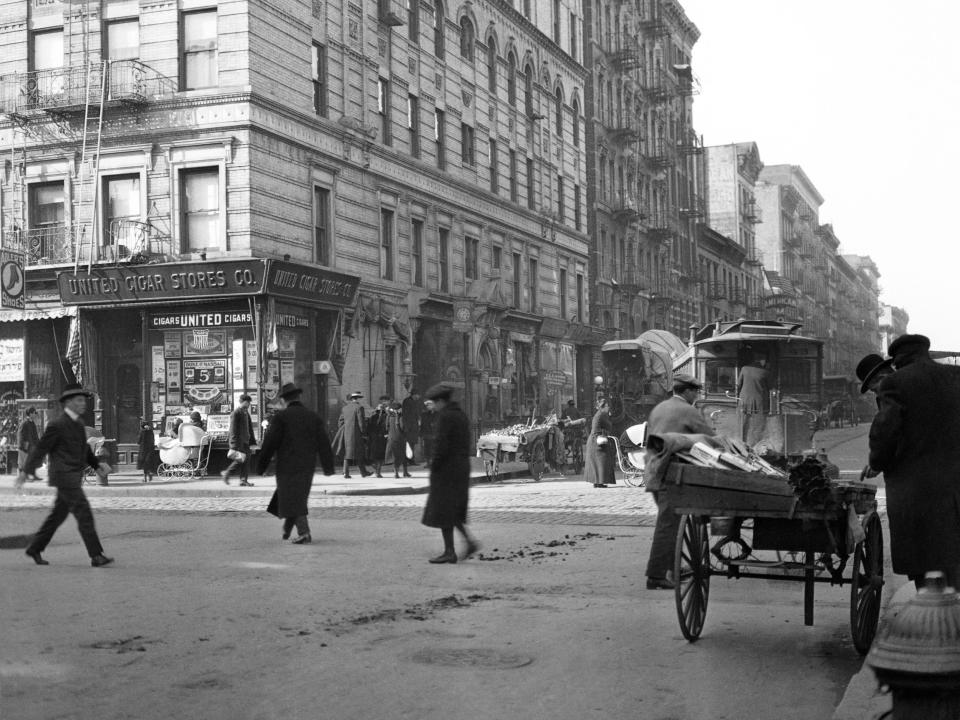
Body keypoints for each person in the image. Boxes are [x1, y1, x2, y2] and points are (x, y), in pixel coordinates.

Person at [868, 333, 960, 591]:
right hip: (954, 487)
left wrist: (878, 461)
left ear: (898, 358)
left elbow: (884, 433)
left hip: (915, 491)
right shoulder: (956, 376)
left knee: (922, 558)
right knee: (953, 555)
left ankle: (928, 615)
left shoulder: (895, 383)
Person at [16, 383, 114, 567]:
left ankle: (35, 548)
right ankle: (96, 556)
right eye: (79, 400)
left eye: (83, 400)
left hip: (71, 476)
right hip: (64, 477)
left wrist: (97, 465)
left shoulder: (77, 423)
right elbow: (41, 448)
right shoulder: (57, 425)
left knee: (57, 516)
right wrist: (26, 472)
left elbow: (84, 449)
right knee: (84, 514)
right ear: (68, 402)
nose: (83, 403)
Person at [644, 373, 715, 590]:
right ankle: (656, 576)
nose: (696, 395)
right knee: (668, 524)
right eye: (695, 391)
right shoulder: (688, 410)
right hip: (672, 473)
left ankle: (672, 568)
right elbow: (709, 438)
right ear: (687, 391)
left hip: (655, 471)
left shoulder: (659, 408)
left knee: (671, 522)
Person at [257, 383, 335, 544]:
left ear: (284, 400)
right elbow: (324, 443)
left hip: (286, 465)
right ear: (299, 397)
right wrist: (328, 466)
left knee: (292, 497)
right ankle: (288, 528)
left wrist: (261, 465)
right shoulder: (313, 416)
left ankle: (304, 533)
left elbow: (270, 443)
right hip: (307, 465)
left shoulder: (281, 417)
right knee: (294, 496)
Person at [420, 383, 480, 564]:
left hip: (447, 469)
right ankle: (467, 543)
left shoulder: (445, 417)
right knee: (451, 510)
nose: (434, 406)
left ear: (440, 401)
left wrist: (434, 466)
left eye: (434, 402)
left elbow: (441, 446)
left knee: (443, 510)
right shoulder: (460, 415)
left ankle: (450, 551)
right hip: (461, 466)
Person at [222, 394, 256, 486]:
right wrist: (233, 444)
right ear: (244, 402)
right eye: (248, 402)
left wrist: (252, 441)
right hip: (238, 442)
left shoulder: (245, 413)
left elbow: (249, 428)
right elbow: (232, 430)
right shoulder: (236, 413)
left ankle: (243, 480)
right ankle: (228, 474)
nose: (249, 404)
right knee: (241, 459)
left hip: (245, 442)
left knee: (245, 460)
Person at [336, 391, 370, 478]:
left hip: (346, 434)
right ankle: (363, 472)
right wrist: (364, 432)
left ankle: (346, 472)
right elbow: (361, 422)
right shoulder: (359, 407)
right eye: (359, 398)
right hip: (356, 434)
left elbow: (340, 421)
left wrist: (344, 429)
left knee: (348, 453)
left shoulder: (345, 408)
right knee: (359, 452)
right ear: (357, 399)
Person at [737, 354, 769, 446]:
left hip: (744, 400)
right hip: (759, 401)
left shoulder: (744, 369)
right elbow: (770, 387)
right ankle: (757, 443)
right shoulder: (765, 372)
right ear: (762, 361)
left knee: (743, 422)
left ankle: (742, 442)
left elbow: (739, 384)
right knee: (759, 424)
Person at [584, 398, 616, 488]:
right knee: (602, 460)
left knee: (597, 462)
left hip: (594, 440)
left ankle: (597, 482)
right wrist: (610, 417)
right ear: (602, 407)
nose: (608, 407)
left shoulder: (599, 414)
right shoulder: (602, 415)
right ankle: (600, 482)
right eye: (607, 406)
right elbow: (609, 426)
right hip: (597, 440)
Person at [385, 401, 412, 479]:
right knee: (403, 455)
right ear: (399, 409)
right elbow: (403, 428)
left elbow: (386, 427)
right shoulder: (401, 417)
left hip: (391, 438)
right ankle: (404, 472)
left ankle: (396, 473)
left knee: (395, 456)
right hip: (400, 438)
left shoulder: (389, 416)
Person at [367, 395, 390, 478]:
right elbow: (386, 426)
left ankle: (377, 471)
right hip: (380, 437)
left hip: (375, 437)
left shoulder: (373, 416)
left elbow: (369, 427)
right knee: (379, 456)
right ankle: (378, 471)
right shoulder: (385, 416)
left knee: (375, 456)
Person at [17, 406, 40, 478]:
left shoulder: (32, 423)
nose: (35, 414)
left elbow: (35, 435)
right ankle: (22, 476)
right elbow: (20, 435)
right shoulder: (24, 423)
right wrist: (22, 446)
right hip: (25, 446)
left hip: (31, 446)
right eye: (34, 413)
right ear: (30, 414)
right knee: (22, 462)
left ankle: (33, 475)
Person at [401, 389, 422, 463]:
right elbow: (405, 415)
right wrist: (406, 426)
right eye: (418, 395)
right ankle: (408, 460)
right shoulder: (407, 401)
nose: (419, 397)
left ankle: (411, 459)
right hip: (409, 427)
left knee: (412, 443)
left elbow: (417, 414)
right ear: (414, 394)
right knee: (408, 443)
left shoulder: (415, 402)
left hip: (414, 426)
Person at [420, 398, 438, 464]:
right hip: (427, 434)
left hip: (435, 434)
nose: (428, 406)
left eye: (430, 405)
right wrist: (421, 433)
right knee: (427, 449)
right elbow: (422, 424)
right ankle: (428, 462)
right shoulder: (424, 414)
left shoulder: (438, 414)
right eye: (427, 405)